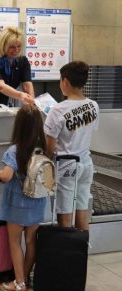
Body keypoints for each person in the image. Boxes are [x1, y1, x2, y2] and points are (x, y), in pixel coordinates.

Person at [0, 104, 48, 291]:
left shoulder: (15, 150)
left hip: (18, 205)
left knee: (15, 241)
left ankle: (18, 284)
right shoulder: (42, 149)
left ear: (19, 126)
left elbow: (7, 175)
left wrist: (0, 174)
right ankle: (25, 277)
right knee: (31, 241)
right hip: (37, 202)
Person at [44, 61, 99, 231]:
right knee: (82, 209)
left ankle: (66, 255)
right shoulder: (93, 105)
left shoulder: (58, 110)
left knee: (65, 215)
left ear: (65, 81)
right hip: (86, 164)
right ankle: (81, 254)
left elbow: (50, 147)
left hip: (67, 166)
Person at [0, 26, 35, 109]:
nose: (16, 50)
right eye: (12, 47)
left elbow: (27, 85)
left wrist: (31, 101)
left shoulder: (22, 61)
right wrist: (21, 95)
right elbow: (1, 87)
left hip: (5, 106)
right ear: (3, 46)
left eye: (19, 46)